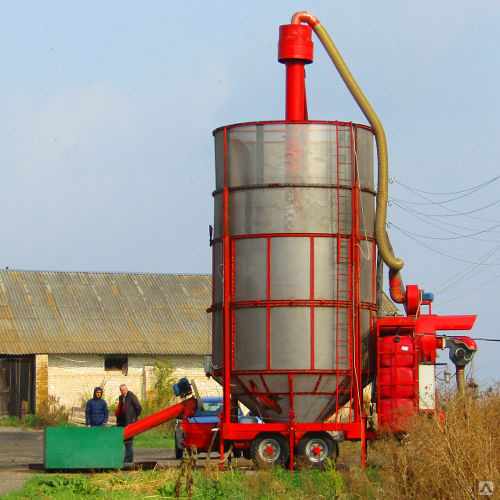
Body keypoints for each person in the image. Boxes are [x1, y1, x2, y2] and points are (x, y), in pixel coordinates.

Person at [115, 384, 142, 463]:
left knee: (128, 440)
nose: (123, 392)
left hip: (130, 422)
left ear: (127, 389)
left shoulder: (131, 396)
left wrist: (133, 417)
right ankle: (127, 458)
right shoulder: (121, 398)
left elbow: (139, 407)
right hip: (122, 422)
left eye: (124, 390)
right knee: (125, 440)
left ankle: (128, 458)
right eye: (122, 390)